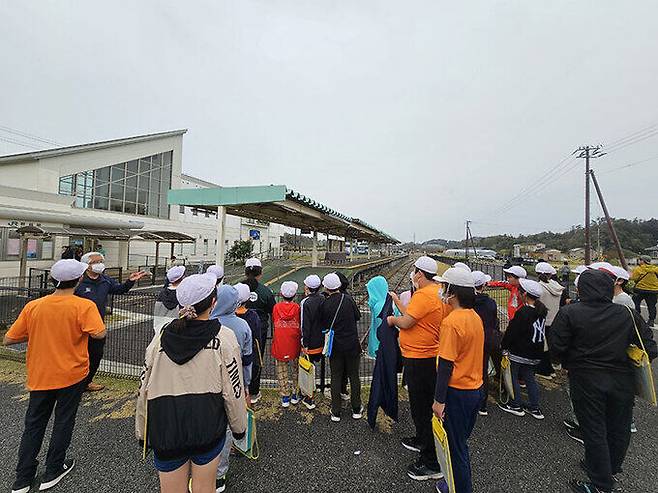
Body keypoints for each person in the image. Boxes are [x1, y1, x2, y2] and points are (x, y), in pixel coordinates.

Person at [135, 273, 247, 493]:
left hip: (166, 426)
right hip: (207, 423)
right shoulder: (224, 338)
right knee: (204, 487)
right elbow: (234, 389)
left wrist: (142, 433)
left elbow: (143, 388)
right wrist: (239, 429)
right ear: (213, 303)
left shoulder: (160, 339)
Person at [4, 259, 106, 493]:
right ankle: (53, 469)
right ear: (79, 279)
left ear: (53, 280)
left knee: (34, 424)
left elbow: (9, 338)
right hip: (72, 374)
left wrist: (38, 333)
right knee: (63, 421)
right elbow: (99, 333)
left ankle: (22, 478)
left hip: (41, 374)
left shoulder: (34, 306)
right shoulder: (83, 306)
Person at [551, 269, 657, 493]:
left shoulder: (570, 313)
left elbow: (556, 349)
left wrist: (571, 361)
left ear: (582, 289)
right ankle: (609, 468)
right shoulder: (626, 313)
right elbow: (651, 347)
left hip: (586, 379)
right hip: (622, 379)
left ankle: (600, 485)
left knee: (594, 430)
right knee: (618, 428)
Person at [387, 256, 450, 481]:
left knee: (421, 406)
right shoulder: (437, 292)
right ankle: (422, 440)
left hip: (419, 358)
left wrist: (393, 320)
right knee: (421, 405)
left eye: (414, 272)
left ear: (420, 275)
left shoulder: (424, 294)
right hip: (426, 355)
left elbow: (407, 322)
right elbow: (414, 315)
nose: (413, 276)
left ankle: (431, 462)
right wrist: (398, 302)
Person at [432, 267, 484, 493]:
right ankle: (450, 483)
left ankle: (461, 488)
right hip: (474, 388)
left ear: (453, 292)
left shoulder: (452, 322)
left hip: (456, 391)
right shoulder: (474, 317)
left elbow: (445, 365)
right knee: (459, 442)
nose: (442, 290)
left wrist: (438, 401)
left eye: (444, 287)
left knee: (456, 448)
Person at [75, 252, 148, 392]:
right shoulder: (79, 281)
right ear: (86, 265)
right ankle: (74, 383)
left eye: (100, 261)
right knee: (78, 356)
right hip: (78, 327)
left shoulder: (105, 280)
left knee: (96, 354)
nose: (99, 264)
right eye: (95, 262)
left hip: (97, 326)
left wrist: (130, 281)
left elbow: (119, 289)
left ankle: (87, 381)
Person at [210, 284, 253, 492]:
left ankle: (201, 469)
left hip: (207, 382)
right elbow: (247, 360)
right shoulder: (242, 326)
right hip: (233, 383)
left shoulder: (205, 322)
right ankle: (219, 474)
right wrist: (246, 386)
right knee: (228, 426)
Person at [498, 278, 548, 420]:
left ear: (524, 294)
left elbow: (512, 332)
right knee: (530, 378)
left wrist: (504, 346)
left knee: (512, 376)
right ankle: (534, 407)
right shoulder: (541, 311)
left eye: (520, 292)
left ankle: (516, 404)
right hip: (535, 352)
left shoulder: (524, 312)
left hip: (520, 351)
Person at [320, 272, 363, 422]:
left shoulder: (324, 303)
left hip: (335, 345)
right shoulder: (348, 299)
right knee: (354, 376)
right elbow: (358, 316)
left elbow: (323, 324)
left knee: (336, 376)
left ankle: (336, 411)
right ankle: (356, 409)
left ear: (326, 287)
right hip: (352, 344)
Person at [366, 276, 400, 428]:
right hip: (388, 345)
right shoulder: (387, 303)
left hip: (382, 346)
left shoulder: (378, 305)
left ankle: (379, 406)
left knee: (379, 378)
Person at [243, 257, 276, 403]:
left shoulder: (237, 288)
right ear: (260, 273)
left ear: (245, 272)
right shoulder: (265, 291)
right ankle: (254, 392)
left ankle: (240, 389)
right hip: (259, 330)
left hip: (238, 329)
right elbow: (272, 310)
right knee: (257, 359)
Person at [472, 270, 499, 416]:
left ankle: (472, 402)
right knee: (483, 372)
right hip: (487, 340)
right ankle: (483, 404)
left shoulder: (468, 303)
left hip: (471, 341)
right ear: (484, 285)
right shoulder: (491, 303)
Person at [272, 281, 302, 407]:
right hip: (294, 342)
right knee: (296, 370)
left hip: (280, 342)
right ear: (294, 295)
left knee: (281, 371)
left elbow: (274, 320)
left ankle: (285, 396)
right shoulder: (297, 308)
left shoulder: (276, 307)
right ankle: (295, 394)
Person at [535, 262, 564, 380]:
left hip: (542, 320)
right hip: (554, 319)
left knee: (542, 346)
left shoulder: (539, 287)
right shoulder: (556, 286)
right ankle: (551, 369)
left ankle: (545, 371)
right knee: (550, 345)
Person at [300, 274, 324, 409]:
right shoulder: (323, 298)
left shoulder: (306, 302)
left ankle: (309, 398)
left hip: (310, 343)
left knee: (308, 370)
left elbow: (305, 325)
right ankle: (321, 388)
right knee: (319, 367)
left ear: (307, 288)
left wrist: (304, 344)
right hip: (322, 341)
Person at [153, 265, 186, 335]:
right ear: (182, 277)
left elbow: (157, 312)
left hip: (161, 328)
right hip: (177, 331)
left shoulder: (162, 293)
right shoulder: (183, 293)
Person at [630, 255, 658, 327]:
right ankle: (651, 320)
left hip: (640, 290)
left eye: (640, 260)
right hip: (653, 291)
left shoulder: (638, 269)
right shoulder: (656, 269)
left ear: (643, 261)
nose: (639, 261)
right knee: (651, 306)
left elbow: (633, 278)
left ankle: (637, 317)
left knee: (636, 302)